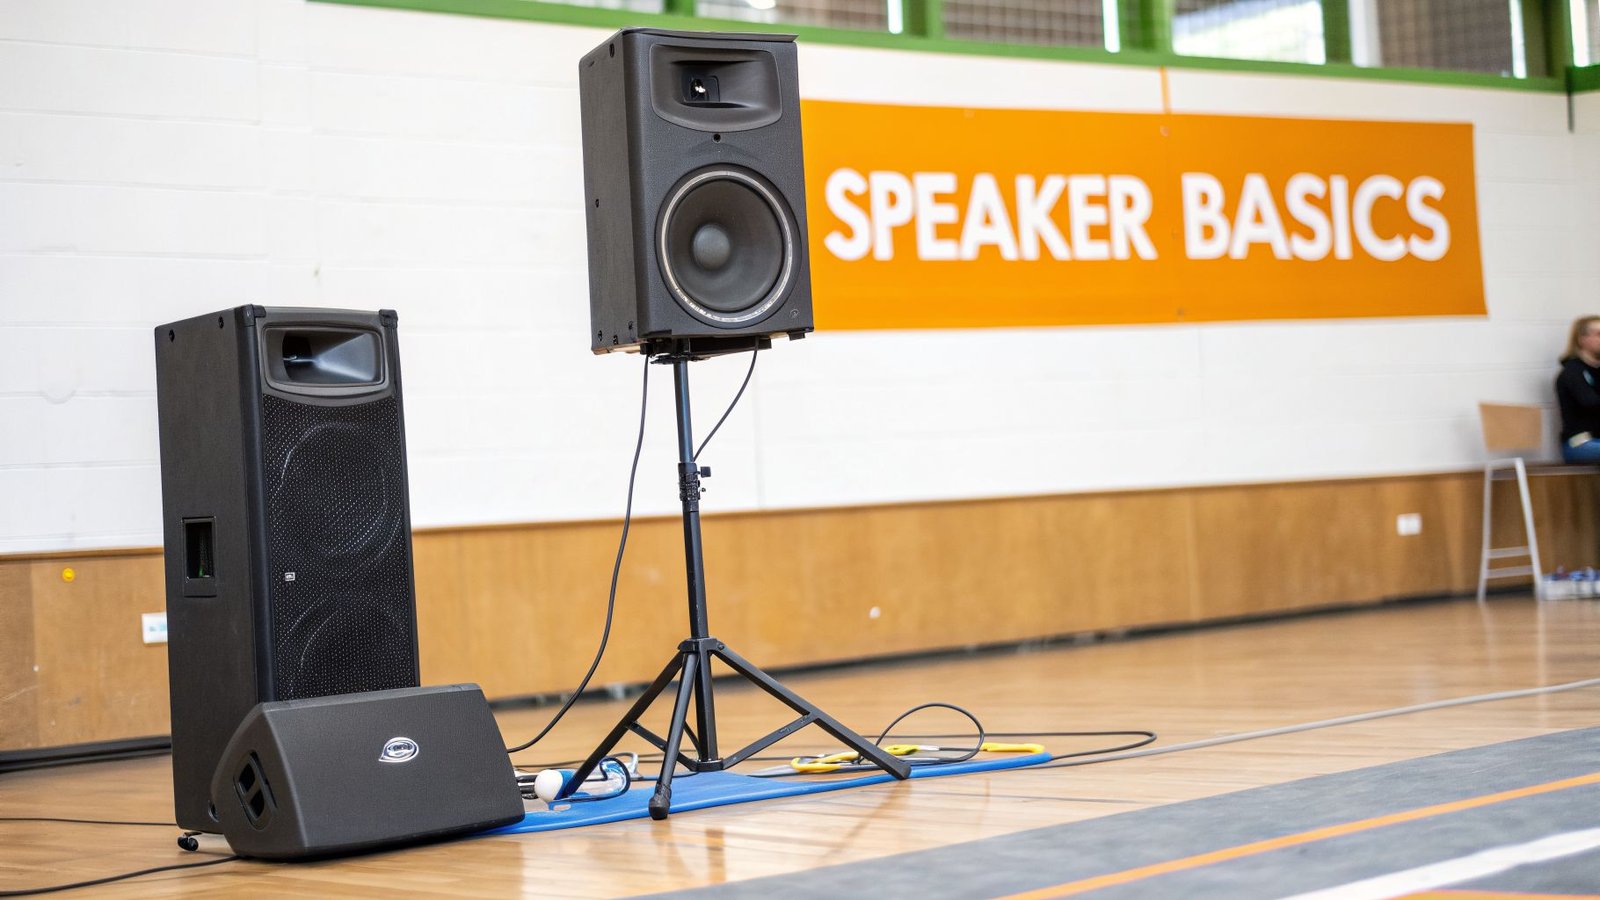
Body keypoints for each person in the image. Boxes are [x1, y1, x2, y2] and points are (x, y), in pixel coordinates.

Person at [1556, 315, 1600, 463]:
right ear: (1582, 339)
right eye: (1598, 334)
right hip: (1580, 442)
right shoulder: (1572, 372)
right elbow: (1591, 403)